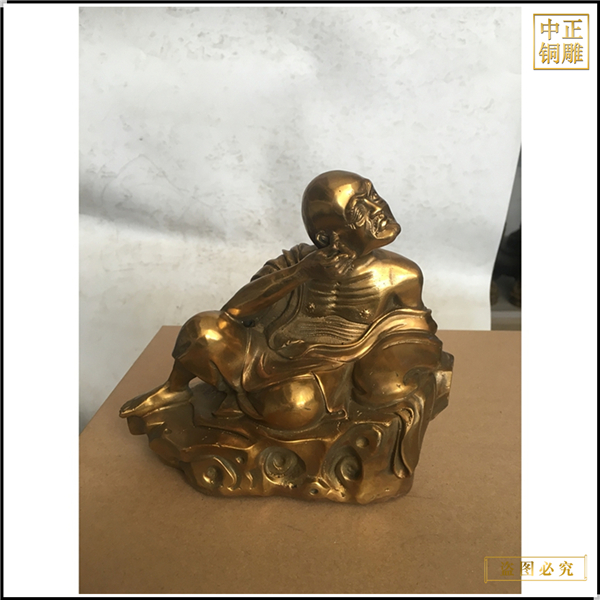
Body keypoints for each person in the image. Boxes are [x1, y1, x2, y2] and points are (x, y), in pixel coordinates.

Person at [120, 170, 443, 431]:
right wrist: (302, 273)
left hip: (325, 370)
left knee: (295, 407)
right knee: (202, 330)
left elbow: (414, 336)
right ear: (326, 236)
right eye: (360, 209)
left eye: (373, 195)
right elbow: (234, 311)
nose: (378, 209)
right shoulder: (298, 260)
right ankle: (175, 390)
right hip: (266, 349)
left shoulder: (402, 275)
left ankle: (239, 398)